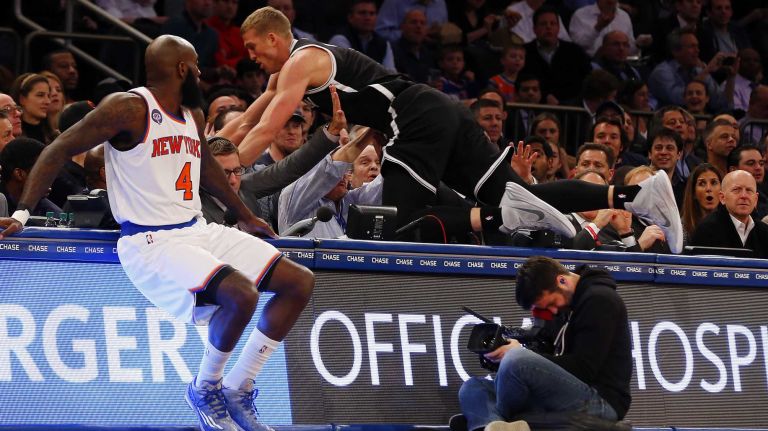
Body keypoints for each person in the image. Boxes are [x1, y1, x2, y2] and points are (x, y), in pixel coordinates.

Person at [0, 35, 315, 431]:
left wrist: (244, 215)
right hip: (152, 240)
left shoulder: (191, 114)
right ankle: (206, 387)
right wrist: (24, 212)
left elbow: (205, 165)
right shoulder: (128, 108)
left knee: (298, 282)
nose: (202, 71)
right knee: (241, 294)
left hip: (197, 229)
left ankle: (238, 386)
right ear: (182, 68)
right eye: (197, 64)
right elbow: (57, 149)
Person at [232, 6, 684, 253]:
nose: (250, 58)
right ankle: (636, 196)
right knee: (518, 195)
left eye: (252, 48)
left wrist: (224, 170)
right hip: (440, 111)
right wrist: (208, 160)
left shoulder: (302, 61)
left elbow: (268, 127)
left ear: (274, 37)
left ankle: (499, 219)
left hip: (414, 119)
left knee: (395, 225)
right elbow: (247, 122)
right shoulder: (284, 74)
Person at [458, 255, 631, 431]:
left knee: (516, 360)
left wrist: (519, 355)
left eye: (552, 304)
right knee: (473, 387)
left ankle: (492, 419)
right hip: (561, 396)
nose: (553, 311)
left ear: (562, 280)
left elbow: (583, 369)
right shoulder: (559, 307)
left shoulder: (600, 300)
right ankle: (496, 425)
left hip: (600, 402)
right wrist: (503, 358)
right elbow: (545, 352)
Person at [278, 127, 383, 238]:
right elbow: (330, 170)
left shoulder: (349, 201)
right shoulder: (296, 198)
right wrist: (370, 131)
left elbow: (382, 187)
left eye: (345, 170)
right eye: (340, 169)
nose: (341, 176)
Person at [690, 170, 768, 258]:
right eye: (736, 190)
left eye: (749, 190)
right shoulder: (706, 230)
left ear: (756, 199)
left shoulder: (764, 232)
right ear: (722, 198)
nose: (744, 196)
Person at [681, 163, 722, 242]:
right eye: (702, 184)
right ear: (693, 193)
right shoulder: (681, 229)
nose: (708, 189)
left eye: (714, 183)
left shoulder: (730, 225)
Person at [10, 73, 55, 145]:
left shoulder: (55, 137)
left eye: (48, 96)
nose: (48, 101)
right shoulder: (11, 137)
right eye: (40, 95)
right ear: (22, 99)